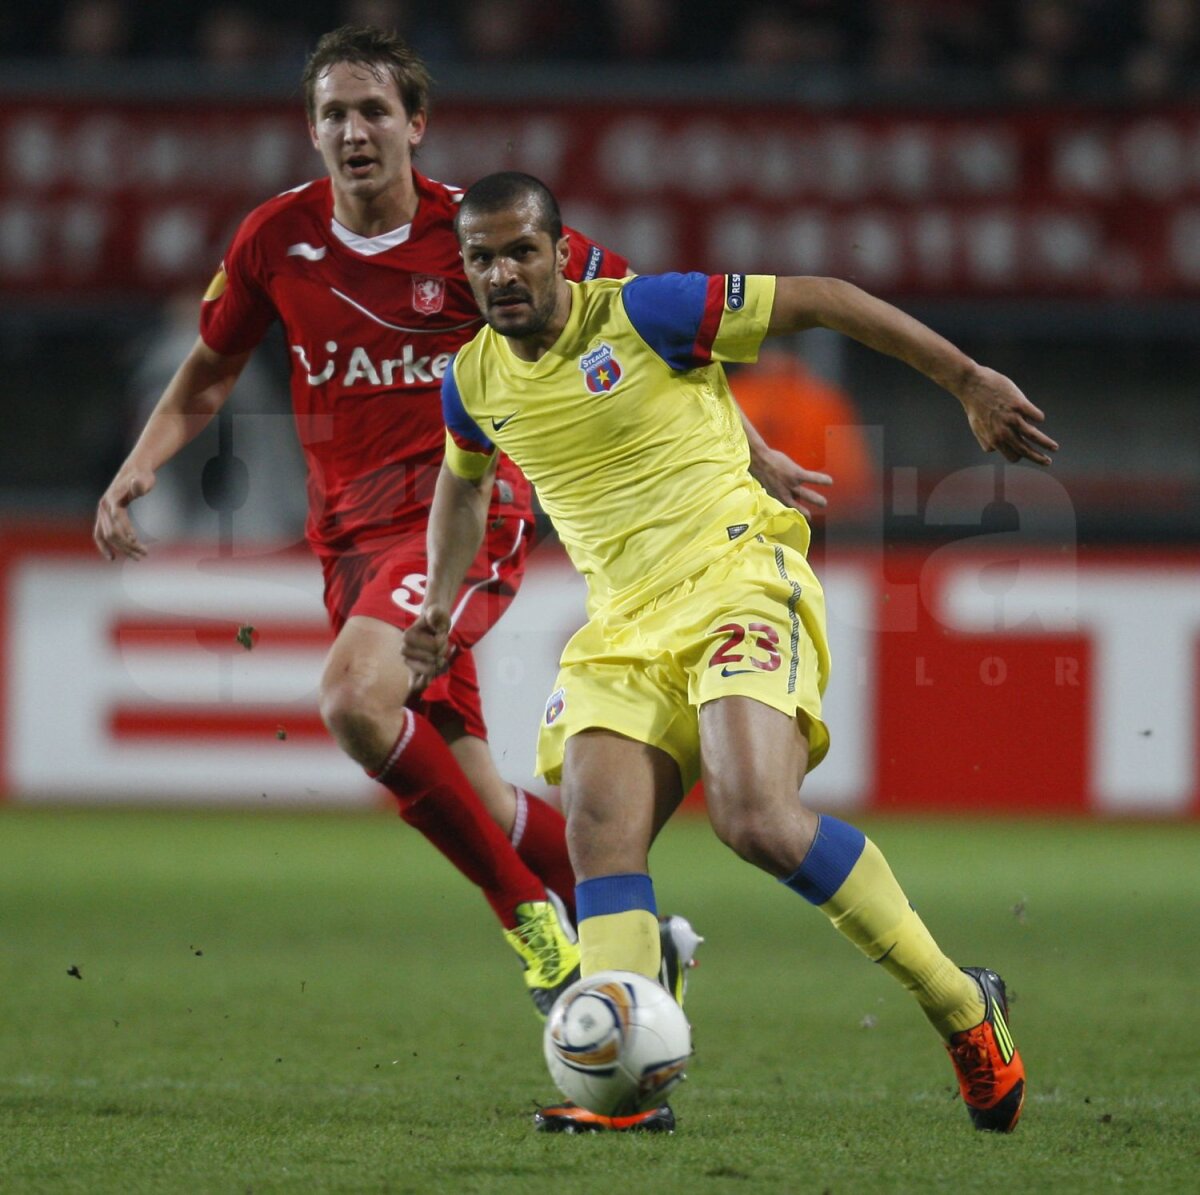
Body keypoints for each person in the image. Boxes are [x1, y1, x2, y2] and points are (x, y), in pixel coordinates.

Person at [92, 28, 799, 1107]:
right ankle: (646, 938)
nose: (352, 130)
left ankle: (537, 935)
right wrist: (136, 468)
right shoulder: (275, 239)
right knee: (472, 789)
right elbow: (207, 370)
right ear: (311, 127)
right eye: (332, 112)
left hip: (460, 515)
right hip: (346, 541)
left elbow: (656, 337)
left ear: (415, 124)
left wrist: (752, 449)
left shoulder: (486, 237)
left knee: (352, 700)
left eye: (373, 110)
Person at [405, 171, 1059, 1134]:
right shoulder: (473, 380)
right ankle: (624, 1089)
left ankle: (964, 1004)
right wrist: (438, 601)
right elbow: (461, 490)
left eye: (520, 251)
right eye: (480, 257)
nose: (501, 272)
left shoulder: (645, 312)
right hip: (621, 628)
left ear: (557, 250)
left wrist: (966, 379)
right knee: (598, 832)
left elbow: (825, 300)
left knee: (755, 814)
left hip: (735, 579)